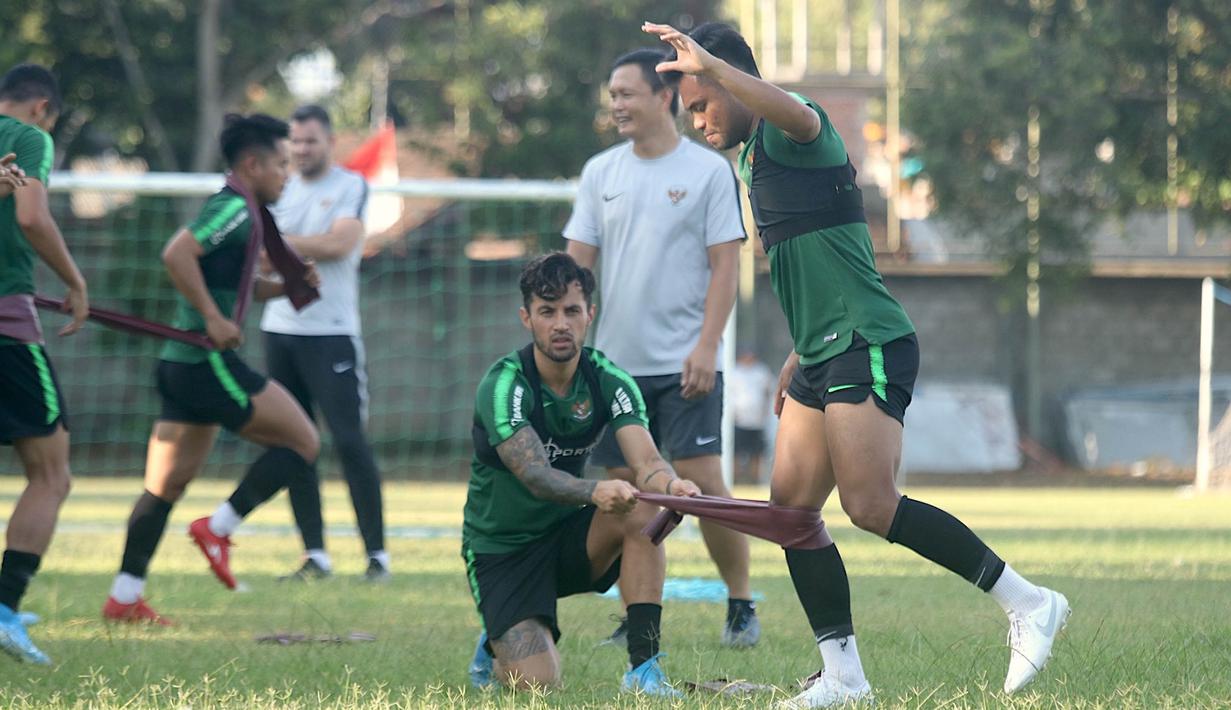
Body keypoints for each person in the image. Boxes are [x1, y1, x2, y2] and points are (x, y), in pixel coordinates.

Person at [645, 21, 1070, 707]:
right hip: (821, 350)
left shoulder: (791, 131)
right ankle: (843, 676)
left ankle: (1027, 602)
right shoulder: (755, 157)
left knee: (869, 505)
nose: (697, 121)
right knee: (790, 514)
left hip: (866, 342)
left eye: (701, 103)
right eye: (691, 110)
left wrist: (715, 68)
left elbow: (798, 111)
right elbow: (829, 263)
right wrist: (795, 351)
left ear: (731, 77)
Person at [563, 48, 759, 648]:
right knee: (628, 497)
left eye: (626, 93)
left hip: (686, 365)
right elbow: (576, 268)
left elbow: (726, 268)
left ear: (663, 97)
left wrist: (707, 346)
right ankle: (636, 616)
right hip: (615, 372)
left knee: (702, 481)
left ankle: (741, 602)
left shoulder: (706, 172)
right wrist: (570, 351)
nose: (616, 105)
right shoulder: (601, 173)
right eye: (612, 95)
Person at [102, 114, 321, 623]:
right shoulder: (234, 210)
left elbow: (232, 283)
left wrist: (286, 285)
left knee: (163, 487)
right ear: (252, 165)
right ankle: (219, 528)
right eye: (281, 165)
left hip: (183, 366)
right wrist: (212, 318)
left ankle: (124, 597)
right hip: (206, 363)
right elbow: (177, 253)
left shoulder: (246, 215)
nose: (287, 175)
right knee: (303, 442)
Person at [462, 252, 701, 696]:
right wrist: (594, 490)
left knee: (645, 509)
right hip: (503, 552)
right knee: (540, 686)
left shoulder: (608, 379)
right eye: (546, 312)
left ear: (590, 314)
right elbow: (535, 475)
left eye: (571, 311)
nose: (560, 324)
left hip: (568, 540)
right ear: (526, 318)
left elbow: (647, 462)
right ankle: (498, 638)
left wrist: (673, 487)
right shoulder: (504, 384)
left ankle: (643, 671)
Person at [223, 104, 387, 582]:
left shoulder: (349, 185)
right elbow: (260, 254)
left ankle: (377, 555)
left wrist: (278, 244)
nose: (301, 149)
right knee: (296, 442)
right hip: (282, 332)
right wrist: (287, 247)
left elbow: (340, 243)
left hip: (332, 333)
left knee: (350, 441)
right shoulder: (278, 187)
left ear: (330, 142)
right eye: (295, 142)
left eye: (311, 141)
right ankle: (315, 555)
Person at [0, 63, 88, 664]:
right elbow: (32, 217)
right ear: (42, 109)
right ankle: (5, 610)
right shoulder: (27, 137)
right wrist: (74, 281)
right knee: (51, 471)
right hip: (5, 326)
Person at [729, 350, 775, 484]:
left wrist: (766, 412)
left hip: (757, 422)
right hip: (738, 421)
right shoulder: (734, 371)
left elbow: (768, 391)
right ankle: (735, 480)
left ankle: (755, 481)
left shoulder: (761, 371)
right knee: (736, 453)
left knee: (757, 453)